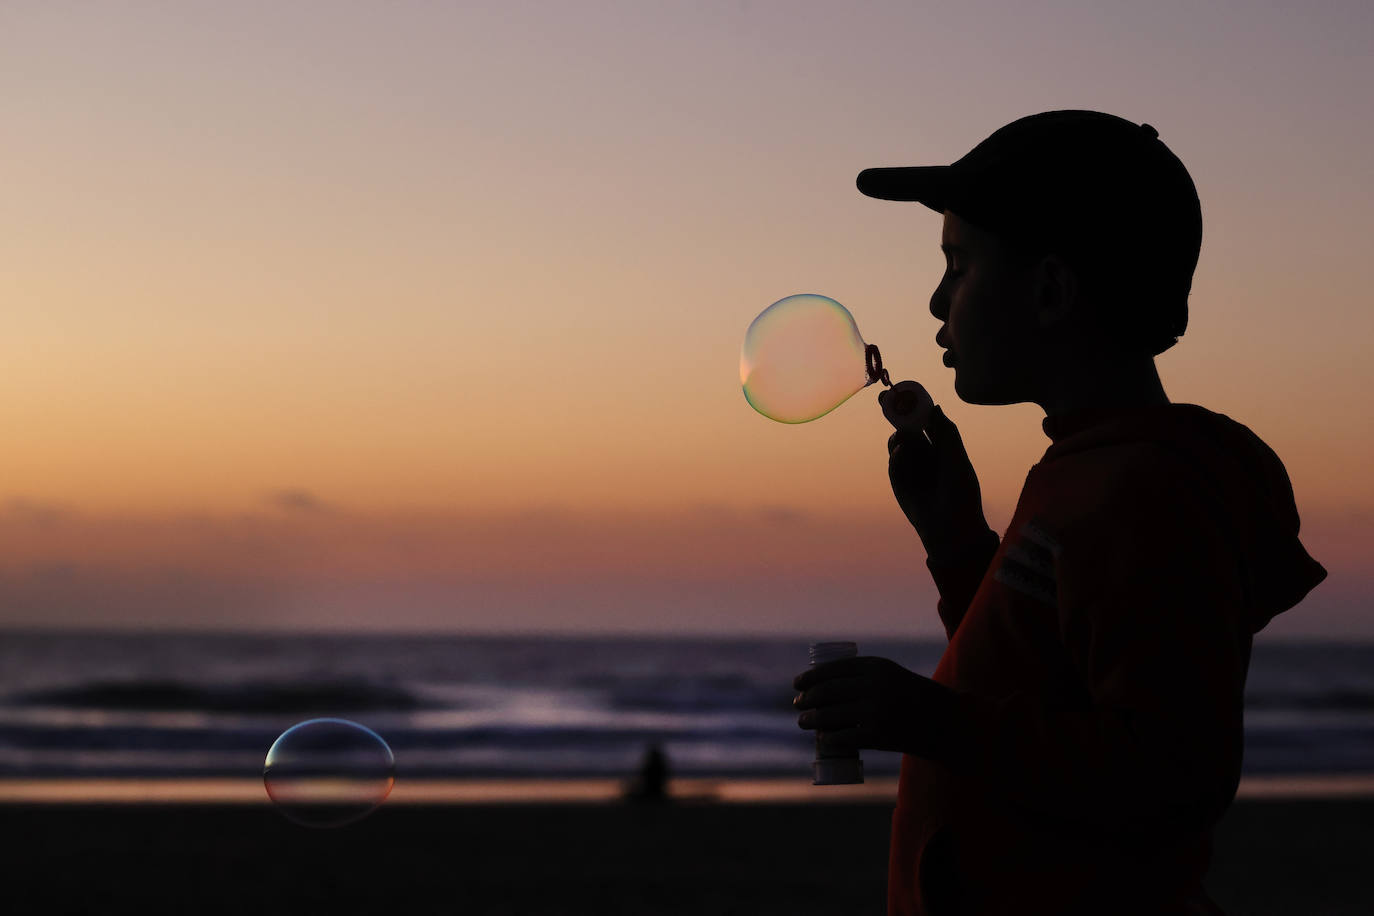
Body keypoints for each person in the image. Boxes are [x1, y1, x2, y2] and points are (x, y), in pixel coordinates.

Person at [792, 110, 1328, 915]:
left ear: (1049, 290)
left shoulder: (1151, 490)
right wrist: (956, 539)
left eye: (959, 266)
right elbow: (1041, 680)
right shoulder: (1086, 468)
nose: (937, 301)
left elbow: (1170, 774)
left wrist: (928, 719)